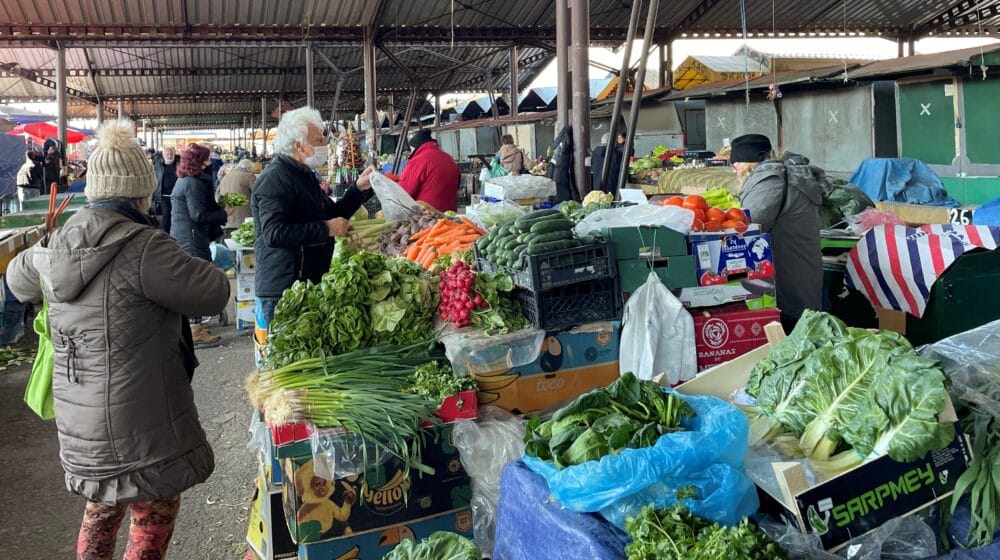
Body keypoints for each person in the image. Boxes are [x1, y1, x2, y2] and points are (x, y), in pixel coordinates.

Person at [5, 120, 229, 560]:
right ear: (141, 193)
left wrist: (46, 252)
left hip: (81, 423)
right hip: (140, 424)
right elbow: (215, 289)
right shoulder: (145, 245)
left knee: (102, 507)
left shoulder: (55, 244)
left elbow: (16, 281)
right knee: (152, 508)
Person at [252, 107, 375, 326]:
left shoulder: (304, 176)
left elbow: (333, 214)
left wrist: (358, 188)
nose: (324, 146)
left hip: (305, 282)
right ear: (298, 145)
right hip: (284, 289)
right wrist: (325, 229)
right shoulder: (274, 179)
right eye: (318, 141)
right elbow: (274, 233)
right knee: (287, 355)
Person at [731, 133, 823, 332]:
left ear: (749, 161)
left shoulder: (770, 182)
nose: (734, 168)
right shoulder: (786, 176)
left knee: (793, 330)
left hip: (788, 272)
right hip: (800, 267)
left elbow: (749, 225)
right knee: (803, 324)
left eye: (736, 162)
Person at [171, 144, 231, 346]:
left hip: (187, 235)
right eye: (206, 158)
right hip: (191, 238)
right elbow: (198, 214)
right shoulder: (193, 184)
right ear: (199, 161)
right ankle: (195, 328)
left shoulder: (187, 180)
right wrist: (224, 214)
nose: (210, 160)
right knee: (195, 278)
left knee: (192, 278)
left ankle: (194, 324)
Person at [398, 129, 460, 213]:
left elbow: (403, 193)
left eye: (411, 149)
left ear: (416, 147)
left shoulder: (417, 161)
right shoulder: (449, 158)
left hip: (429, 216)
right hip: (450, 214)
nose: (410, 152)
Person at [217, 158, 256, 232]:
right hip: (244, 220)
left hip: (226, 220)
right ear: (248, 168)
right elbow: (258, 193)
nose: (253, 172)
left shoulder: (226, 177)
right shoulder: (249, 176)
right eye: (252, 170)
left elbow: (217, 195)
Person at [154, 146, 179, 233]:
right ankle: (167, 234)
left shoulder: (179, 165)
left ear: (174, 154)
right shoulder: (157, 167)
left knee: (177, 215)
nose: (169, 156)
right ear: (163, 155)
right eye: (167, 154)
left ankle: (176, 233)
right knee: (166, 215)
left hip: (177, 195)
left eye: (171, 154)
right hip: (164, 195)